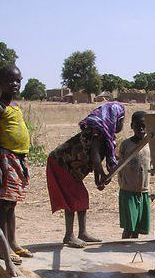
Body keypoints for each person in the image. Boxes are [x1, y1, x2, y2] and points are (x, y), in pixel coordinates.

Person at [46, 102, 125, 247]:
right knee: (72, 198)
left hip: (70, 167)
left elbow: (95, 161)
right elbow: (95, 155)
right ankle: (69, 236)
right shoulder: (97, 132)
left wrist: (98, 179)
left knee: (82, 196)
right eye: (122, 120)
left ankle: (82, 232)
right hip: (61, 163)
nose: (122, 125)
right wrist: (101, 172)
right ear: (115, 119)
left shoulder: (106, 136)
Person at [0, 64, 31, 265]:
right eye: (10, 80)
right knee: (4, 203)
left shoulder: (15, 106)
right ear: (0, 83)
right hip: (5, 159)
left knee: (12, 203)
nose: (14, 84)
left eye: (18, 80)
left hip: (19, 159)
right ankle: (3, 246)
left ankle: (13, 242)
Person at [118, 111, 151, 239]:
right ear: (132, 126)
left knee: (137, 228)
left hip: (143, 191)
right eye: (138, 125)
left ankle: (131, 253)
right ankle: (124, 248)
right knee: (128, 227)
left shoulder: (151, 144)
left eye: (144, 125)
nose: (141, 129)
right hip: (128, 191)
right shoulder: (126, 145)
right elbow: (119, 166)